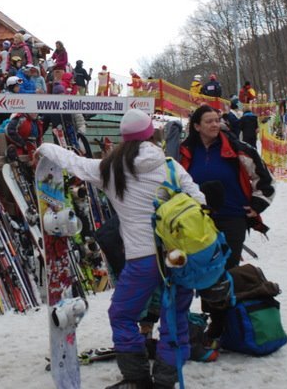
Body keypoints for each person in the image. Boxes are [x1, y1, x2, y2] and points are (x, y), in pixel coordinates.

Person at [37, 110, 206, 388]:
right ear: (151, 135)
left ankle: (137, 379)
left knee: (122, 315)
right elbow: (200, 201)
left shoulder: (110, 169)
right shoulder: (170, 166)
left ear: (123, 138)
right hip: (179, 257)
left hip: (142, 258)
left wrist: (45, 147)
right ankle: (165, 382)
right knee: (175, 319)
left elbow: (75, 163)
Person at [179, 105, 275, 347]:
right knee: (204, 270)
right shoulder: (185, 151)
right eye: (209, 121)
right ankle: (214, 319)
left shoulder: (237, 148)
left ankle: (221, 324)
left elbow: (264, 178)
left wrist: (256, 205)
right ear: (197, 126)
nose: (215, 125)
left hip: (232, 217)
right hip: (197, 221)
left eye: (217, 120)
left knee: (226, 269)